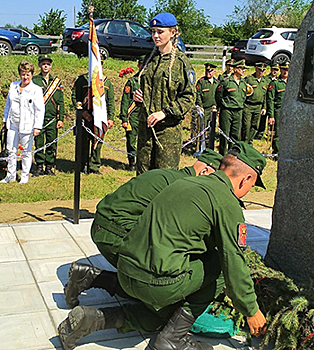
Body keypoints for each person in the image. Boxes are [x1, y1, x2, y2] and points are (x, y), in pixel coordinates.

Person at [58, 142, 268, 350]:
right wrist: (252, 310)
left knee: (161, 312)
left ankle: (93, 319)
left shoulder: (184, 183)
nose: (249, 191)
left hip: (125, 269)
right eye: (252, 185)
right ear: (246, 179)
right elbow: (233, 262)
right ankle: (174, 338)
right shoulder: (226, 201)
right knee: (217, 270)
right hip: (153, 282)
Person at [62, 149, 223, 310]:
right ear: (204, 171)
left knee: (147, 283)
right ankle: (93, 278)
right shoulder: (183, 188)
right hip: (115, 233)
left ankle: (89, 277)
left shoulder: (168, 175)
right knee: (155, 290)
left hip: (101, 226)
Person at [133, 12, 196, 175]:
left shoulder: (181, 63)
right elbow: (144, 87)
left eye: (160, 32)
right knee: (143, 178)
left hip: (167, 132)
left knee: (164, 178)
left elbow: (188, 97)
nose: (155, 36)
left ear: (173, 32)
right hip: (145, 129)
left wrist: (165, 113)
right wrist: (138, 97)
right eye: (153, 31)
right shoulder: (149, 60)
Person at [1, 61, 44, 184]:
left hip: (27, 124)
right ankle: (10, 175)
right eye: (23, 74)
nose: (25, 77)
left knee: (26, 151)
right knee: (11, 150)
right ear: (20, 74)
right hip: (13, 123)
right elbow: (8, 105)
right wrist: (5, 121)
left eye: (28, 74)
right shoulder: (13, 86)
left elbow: (39, 110)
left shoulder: (35, 89)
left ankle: (25, 176)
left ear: (31, 75)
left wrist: (37, 126)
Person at [71, 61, 115, 174]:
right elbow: (75, 97)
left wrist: (110, 117)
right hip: (85, 117)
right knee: (83, 142)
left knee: (97, 142)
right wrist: (82, 113)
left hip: (100, 117)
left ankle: (94, 166)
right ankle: (83, 166)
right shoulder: (82, 80)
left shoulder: (106, 82)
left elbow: (110, 102)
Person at [32, 55, 65, 176]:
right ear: (40, 65)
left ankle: (49, 166)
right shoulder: (34, 80)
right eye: (43, 63)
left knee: (51, 143)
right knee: (39, 142)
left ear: (50, 66)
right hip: (38, 118)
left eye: (48, 64)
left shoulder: (56, 82)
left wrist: (60, 118)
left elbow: (61, 102)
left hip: (52, 118)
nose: (46, 66)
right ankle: (39, 165)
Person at [215, 59, 248, 155]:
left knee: (235, 134)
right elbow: (218, 95)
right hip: (227, 110)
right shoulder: (226, 82)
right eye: (241, 68)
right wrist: (221, 106)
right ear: (235, 69)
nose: (243, 70)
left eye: (244, 69)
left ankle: (231, 154)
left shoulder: (243, 82)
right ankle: (222, 154)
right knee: (225, 134)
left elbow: (244, 96)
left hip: (238, 111)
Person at [119, 57, 144, 171]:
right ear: (138, 66)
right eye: (141, 65)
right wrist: (124, 118)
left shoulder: (151, 81)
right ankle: (132, 162)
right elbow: (125, 101)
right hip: (133, 115)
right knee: (132, 139)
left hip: (146, 115)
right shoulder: (132, 82)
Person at [242, 62, 269, 144]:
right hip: (248, 105)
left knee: (255, 125)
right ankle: (245, 141)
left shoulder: (265, 81)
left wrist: (264, 107)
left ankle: (250, 141)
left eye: (263, 70)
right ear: (256, 69)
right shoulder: (249, 79)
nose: (261, 72)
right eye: (259, 70)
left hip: (258, 106)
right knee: (246, 125)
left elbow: (265, 96)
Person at [266, 62, 289, 155]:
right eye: (283, 69)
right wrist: (271, 115)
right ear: (280, 70)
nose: (285, 72)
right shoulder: (275, 83)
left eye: (287, 70)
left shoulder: (292, 83)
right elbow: (270, 100)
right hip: (278, 110)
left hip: (289, 110)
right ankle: (277, 152)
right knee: (278, 132)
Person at [255, 63, 279, 140]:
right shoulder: (266, 79)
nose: (275, 71)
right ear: (270, 69)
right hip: (265, 102)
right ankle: (260, 134)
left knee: (273, 120)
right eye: (274, 69)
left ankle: (271, 135)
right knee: (262, 120)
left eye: (277, 70)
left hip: (273, 104)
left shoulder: (278, 80)